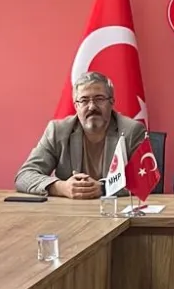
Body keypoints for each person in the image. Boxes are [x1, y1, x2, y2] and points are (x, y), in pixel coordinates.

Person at [15, 71, 147, 198]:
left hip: (114, 209)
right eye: (84, 100)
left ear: (111, 102)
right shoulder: (58, 131)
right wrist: (61, 187)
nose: (92, 107)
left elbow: (146, 180)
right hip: (69, 210)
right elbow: (24, 176)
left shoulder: (132, 131)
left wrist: (104, 188)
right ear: (76, 105)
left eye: (99, 99)